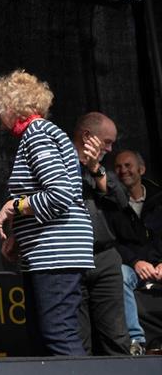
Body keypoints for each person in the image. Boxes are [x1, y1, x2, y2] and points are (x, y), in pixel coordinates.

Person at [0, 70, 94, 356]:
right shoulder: (42, 134)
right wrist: (20, 236)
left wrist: (14, 206)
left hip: (57, 254)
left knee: (58, 338)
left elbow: (59, 194)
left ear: (11, 106)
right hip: (51, 251)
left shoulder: (37, 135)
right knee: (44, 339)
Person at [71, 112, 131, 355]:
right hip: (72, 259)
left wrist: (95, 168)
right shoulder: (60, 164)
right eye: (106, 142)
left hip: (104, 259)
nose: (110, 148)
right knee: (78, 340)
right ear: (87, 136)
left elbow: (121, 200)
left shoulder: (102, 171)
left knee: (115, 337)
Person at [109, 149, 162, 354]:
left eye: (128, 165)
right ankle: (136, 341)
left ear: (141, 169)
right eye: (118, 167)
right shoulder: (112, 204)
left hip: (158, 265)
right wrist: (135, 262)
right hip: (133, 267)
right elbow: (112, 241)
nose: (123, 171)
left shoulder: (158, 199)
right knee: (119, 275)